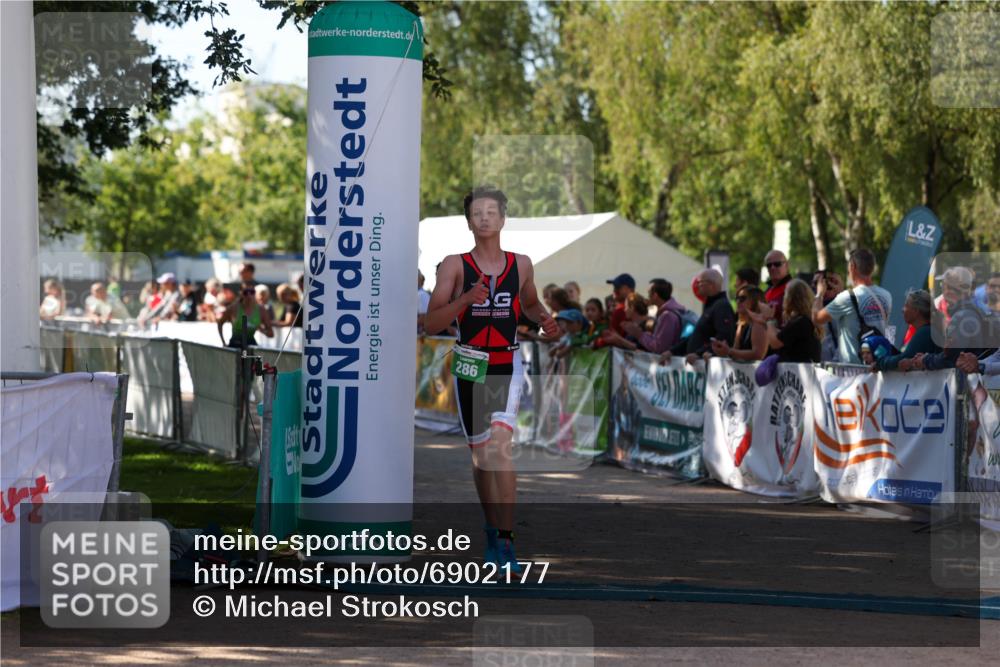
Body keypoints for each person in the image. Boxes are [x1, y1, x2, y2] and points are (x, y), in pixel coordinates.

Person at [424, 186, 559, 573]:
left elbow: (529, 303)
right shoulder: (454, 265)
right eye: (477, 213)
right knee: (483, 457)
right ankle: (490, 531)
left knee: (501, 447)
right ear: (469, 221)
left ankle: (507, 541)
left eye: (492, 212)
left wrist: (545, 320)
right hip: (470, 364)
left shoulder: (522, 264)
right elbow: (431, 322)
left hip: (506, 363)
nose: (485, 218)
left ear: (503, 219)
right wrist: (465, 301)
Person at [812, 249, 892, 365]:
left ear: (852, 266)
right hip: (876, 368)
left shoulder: (846, 298)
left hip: (852, 371)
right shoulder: (886, 295)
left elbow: (817, 318)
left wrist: (819, 293)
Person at [910, 267, 996, 371]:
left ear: (950, 290)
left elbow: (950, 359)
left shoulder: (961, 317)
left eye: (943, 285)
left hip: (969, 382)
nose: (942, 289)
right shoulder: (974, 312)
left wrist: (925, 360)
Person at [662, 269, 735, 366]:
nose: (697, 285)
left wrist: (699, 354)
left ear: (711, 285)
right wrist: (672, 351)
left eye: (700, 282)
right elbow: (697, 335)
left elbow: (723, 338)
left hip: (709, 370)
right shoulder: (711, 305)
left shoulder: (721, 306)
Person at [751, 278, 821, 363]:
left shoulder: (801, 321)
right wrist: (765, 322)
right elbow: (784, 335)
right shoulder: (804, 320)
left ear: (790, 298)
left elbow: (775, 343)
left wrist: (769, 318)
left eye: (785, 294)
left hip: (801, 374)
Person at [879, 290, 940, 371]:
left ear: (916, 311)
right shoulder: (929, 330)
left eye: (906, 305)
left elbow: (904, 358)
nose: (902, 310)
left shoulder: (925, 332)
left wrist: (880, 363)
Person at [622, 279, 686, 354]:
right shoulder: (668, 312)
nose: (648, 297)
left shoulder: (667, 316)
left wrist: (639, 334)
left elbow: (659, 348)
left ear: (655, 296)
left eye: (649, 294)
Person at [711, 286, 768, 362]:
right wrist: (722, 351)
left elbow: (758, 354)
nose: (738, 302)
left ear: (755, 300)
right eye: (737, 299)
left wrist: (729, 351)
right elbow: (736, 353)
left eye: (742, 299)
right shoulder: (741, 324)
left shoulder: (758, 323)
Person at [217, 283, 274, 348]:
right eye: (245, 292)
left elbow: (271, 334)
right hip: (235, 344)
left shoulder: (261, 310)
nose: (249, 295)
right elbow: (220, 322)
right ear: (241, 293)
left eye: (252, 292)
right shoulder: (233, 308)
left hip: (250, 343)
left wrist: (261, 329)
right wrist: (223, 343)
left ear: (255, 293)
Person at [812, 270, 844, 362]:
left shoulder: (842, 304)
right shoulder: (812, 306)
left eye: (818, 282)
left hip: (841, 362)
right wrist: (819, 296)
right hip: (821, 364)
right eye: (814, 283)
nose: (816, 286)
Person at [763, 250, 792, 326]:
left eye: (777, 264)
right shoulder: (766, 291)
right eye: (769, 265)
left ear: (787, 265)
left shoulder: (794, 288)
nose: (772, 268)